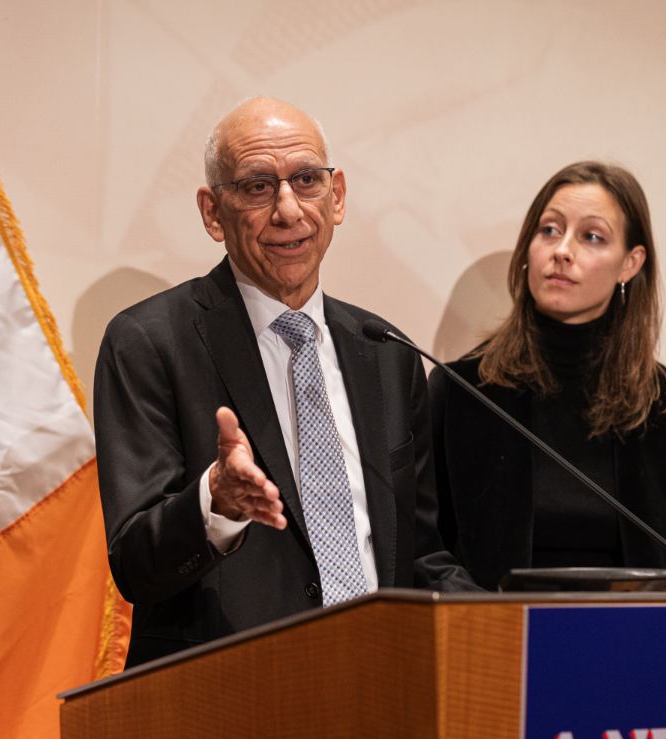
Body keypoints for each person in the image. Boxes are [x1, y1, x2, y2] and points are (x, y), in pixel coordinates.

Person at [94, 97, 476, 668]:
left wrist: (504, 624)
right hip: (228, 688)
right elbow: (136, 563)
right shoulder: (149, 342)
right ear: (212, 212)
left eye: (306, 180)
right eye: (257, 187)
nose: (289, 210)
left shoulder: (385, 352)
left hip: (376, 680)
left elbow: (418, 554)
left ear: (337, 195)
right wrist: (215, 503)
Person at [430, 161, 666, 589]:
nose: (562, 250)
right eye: (549, 230)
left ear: (630, 263)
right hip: (493, 627)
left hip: (627, 629)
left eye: (592, 236)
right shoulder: (461, 390)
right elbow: (427, 548)